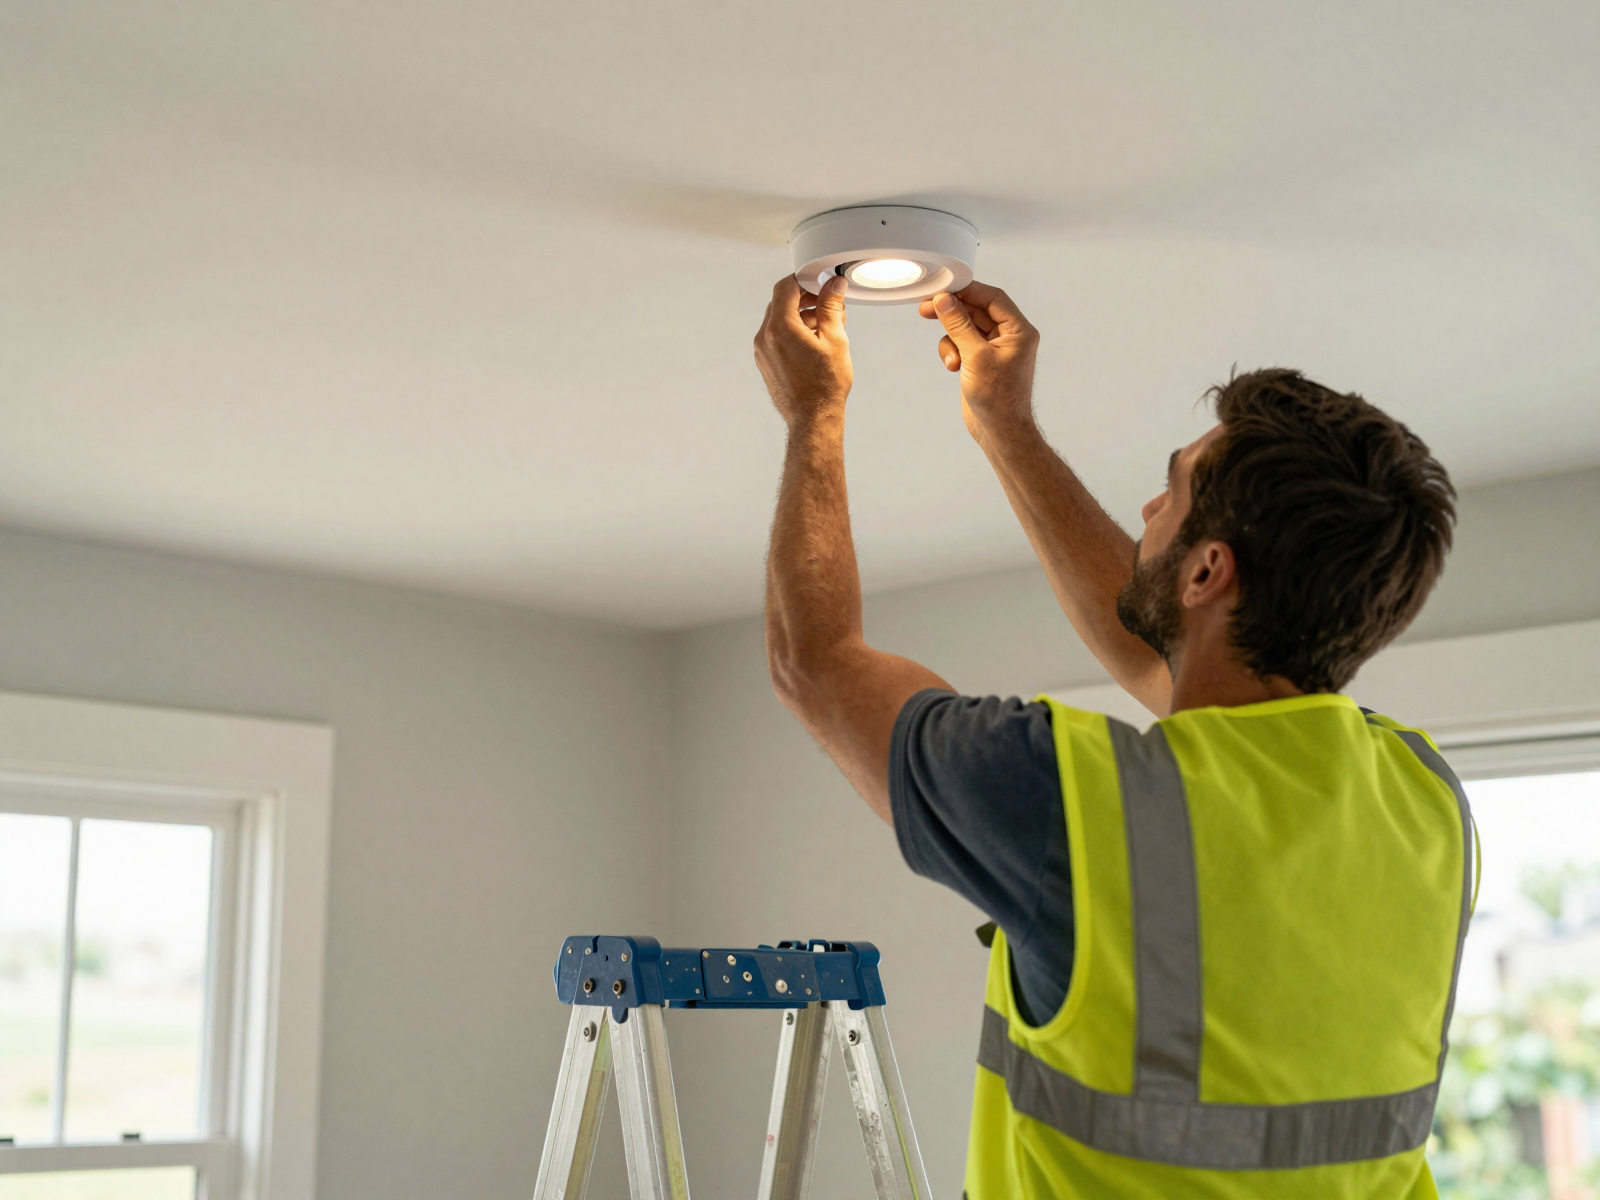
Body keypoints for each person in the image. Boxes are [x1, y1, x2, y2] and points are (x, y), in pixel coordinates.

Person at [753, 272, 1472, 1199]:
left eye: (1170, 494)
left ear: (1209, 569)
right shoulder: (1424, 800)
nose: (1148, 512)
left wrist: (813, 409)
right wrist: (1003, 425)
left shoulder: (1066, 796)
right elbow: (1166, 659)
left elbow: (815, 664)